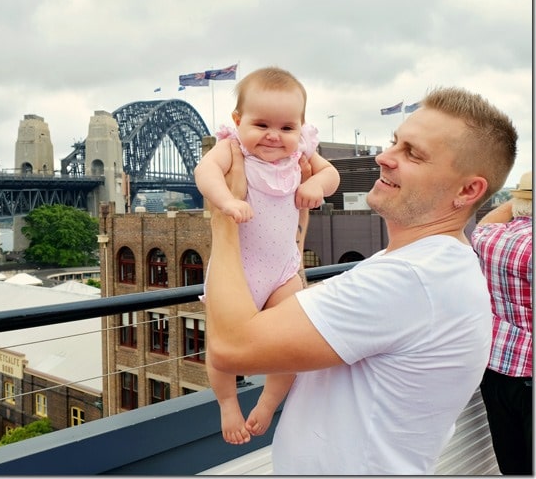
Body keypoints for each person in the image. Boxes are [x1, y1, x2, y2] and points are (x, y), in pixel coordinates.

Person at [204, 86, 519, 474]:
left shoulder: (410, 279)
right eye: (394, 143)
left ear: (467, 190)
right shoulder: (428, 265)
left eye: (412, 153)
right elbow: (299, 310)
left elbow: (230, 348)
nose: (383, 157)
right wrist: (291, 228)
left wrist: (223, 214)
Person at [194, 66, 340, 444]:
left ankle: (268, 402)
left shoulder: (301, 155)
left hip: (283, 271)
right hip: (236, 273)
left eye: (287, 128)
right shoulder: (231, 149)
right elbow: (204, 172)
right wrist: (226, 199)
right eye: (261, 125)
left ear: (301, 128)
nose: (274, 136)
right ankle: (227, 403)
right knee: (220, 347)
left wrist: (315, 184)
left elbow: (332, 175)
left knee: (291, 344)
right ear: (238, 121)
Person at [470, 170, 532, 475]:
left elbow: (485, 222)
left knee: (513, 466)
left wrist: (520, 197)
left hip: (497, 372)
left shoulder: (490, 238)